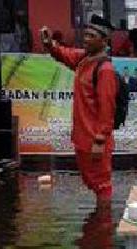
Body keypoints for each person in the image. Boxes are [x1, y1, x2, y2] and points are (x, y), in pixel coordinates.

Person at [40, 15, 118, 200]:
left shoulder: (105, 69)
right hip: (82, 138)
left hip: (95, 140)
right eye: (85, 35)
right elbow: (64, 54)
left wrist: (100, 140)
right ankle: (97, 225)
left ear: (104, 41)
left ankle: (103, 226)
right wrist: (49, 44)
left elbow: (107, 109)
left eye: (91, 36)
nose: (86, 39)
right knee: (91, 182)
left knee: (101, 185)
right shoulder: (84, 59)